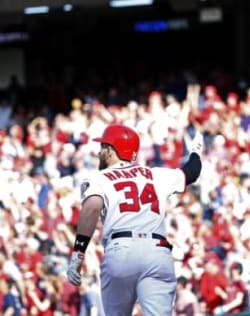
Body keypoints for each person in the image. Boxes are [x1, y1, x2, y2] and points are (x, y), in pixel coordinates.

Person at [66, 123, 203, 316]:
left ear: (112, 150)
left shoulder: (99, 178)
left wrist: (78, 253)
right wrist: (196, 152)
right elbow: (192, 171)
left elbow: (92, 208)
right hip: (157, 252)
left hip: (121, 250)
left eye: (103, 147)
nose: (100, 152)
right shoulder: (155, 174)